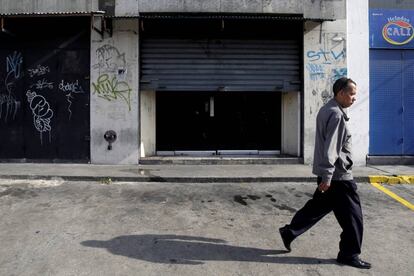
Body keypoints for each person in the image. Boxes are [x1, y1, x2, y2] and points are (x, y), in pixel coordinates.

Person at [279, 77, 371, 269]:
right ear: (341, 93)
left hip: (329, 175)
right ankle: (349, 254)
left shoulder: (326, 109)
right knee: (354, 218)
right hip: (339, 178)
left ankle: (289, 232)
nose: (355, 98)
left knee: (317, 208)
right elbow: (331, 149)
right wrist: (328, 176)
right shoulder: (337, 115)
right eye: (352, 94)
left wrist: (324, 175)